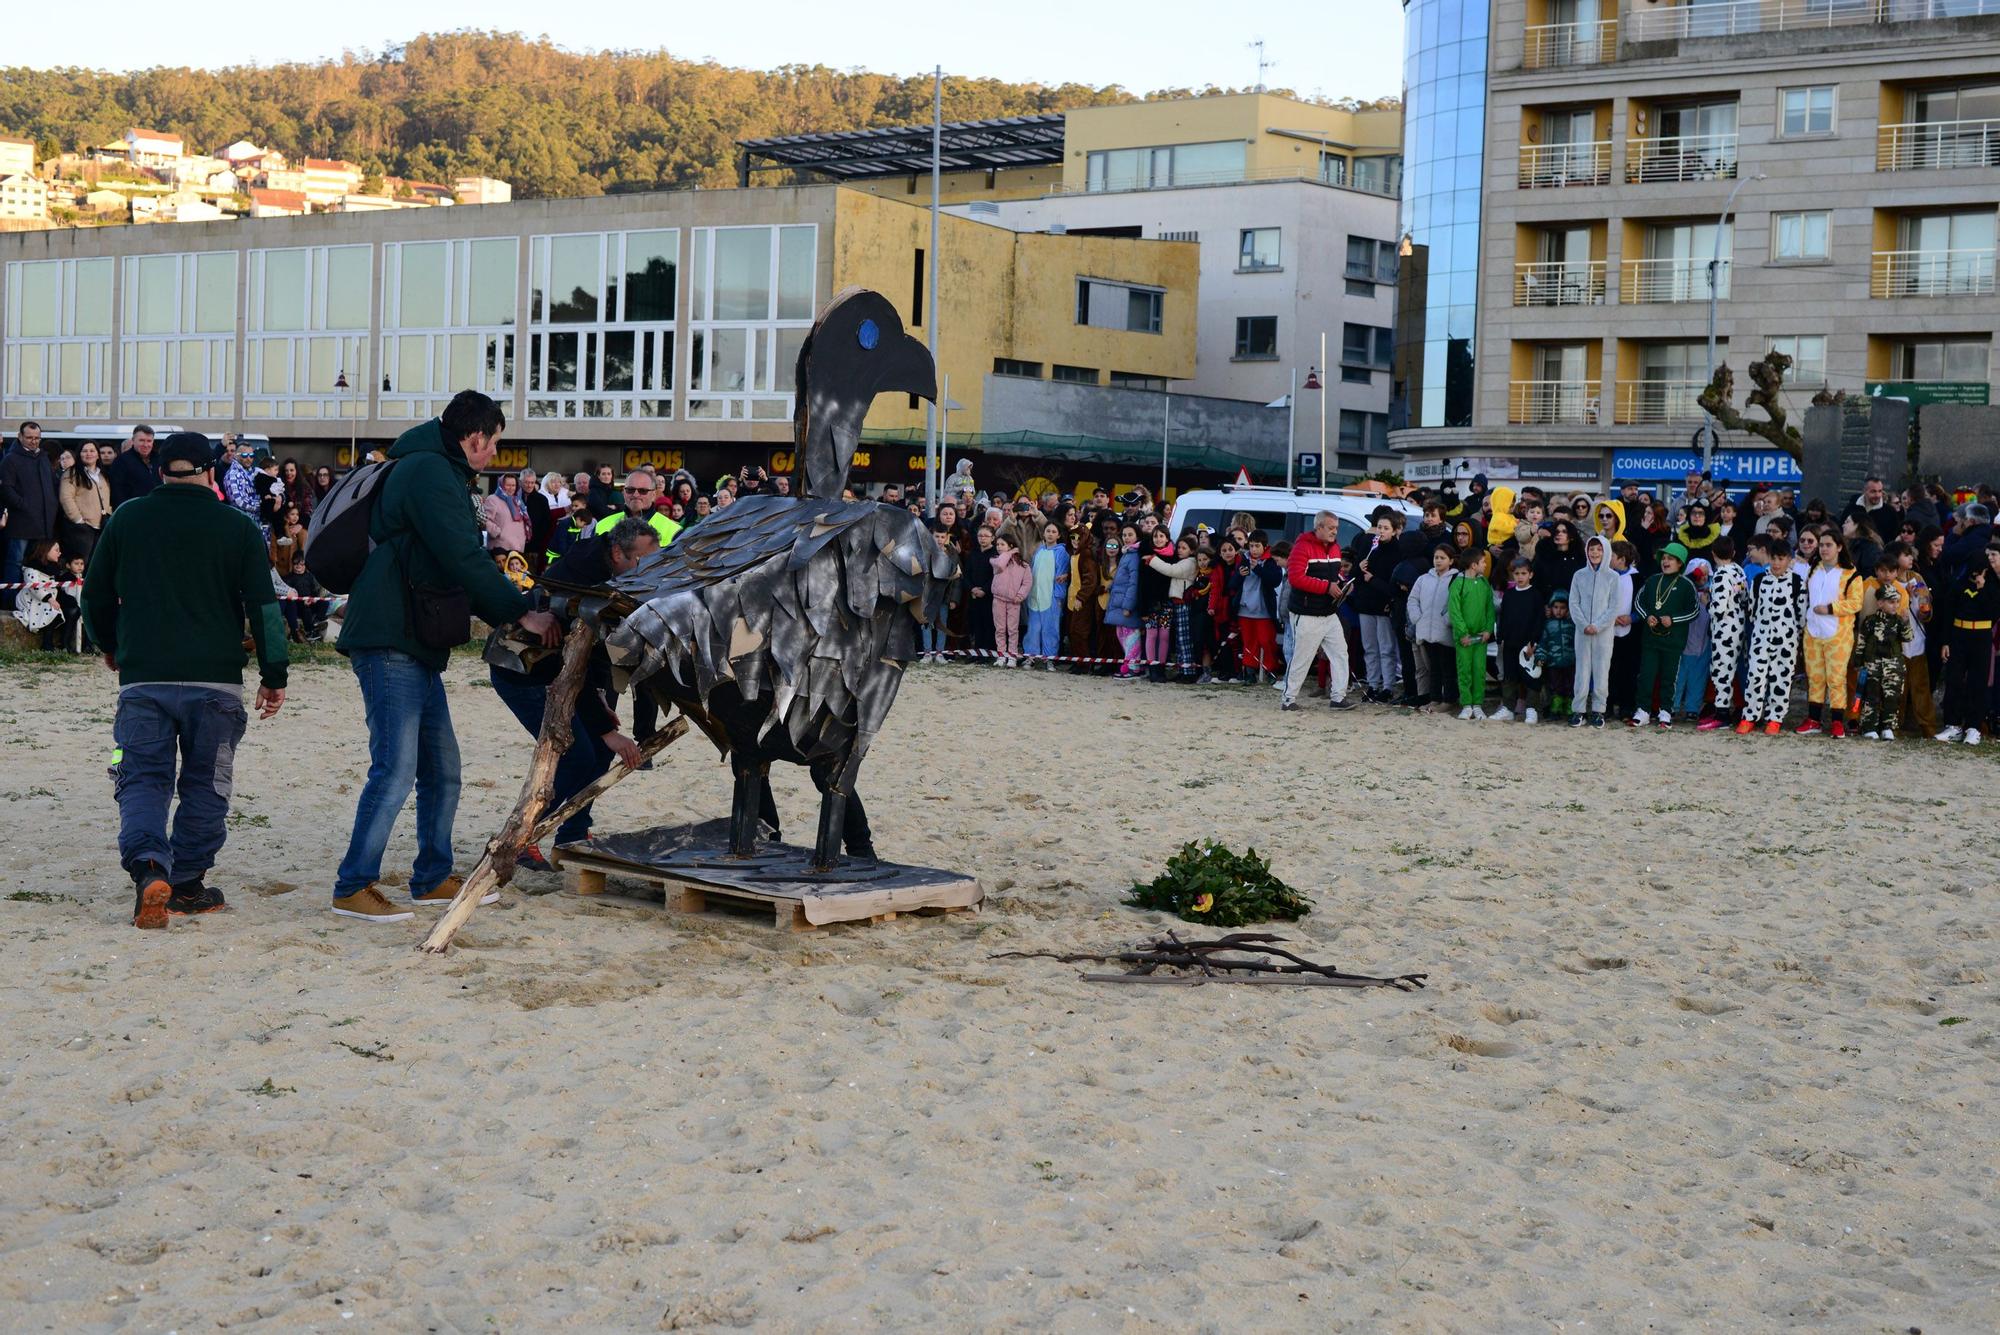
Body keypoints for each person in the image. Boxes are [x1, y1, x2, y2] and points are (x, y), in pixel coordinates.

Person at [331, 391, 561, 923]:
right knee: (395, 768)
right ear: (476, 437)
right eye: (494, 444)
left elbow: (459, 556)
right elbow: (462, 555)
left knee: (443, 768)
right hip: (391, 638)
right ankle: (353, 884)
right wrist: (520, 612)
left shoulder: (435, 469)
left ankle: (432, 877)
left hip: (413, 639)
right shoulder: (430, 472)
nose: (493, 455)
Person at [80, 432, 288, 928]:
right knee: (205, 784)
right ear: (211, 472)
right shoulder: (236, 526)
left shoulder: (129, 517)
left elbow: (94, 594)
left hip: (143, 678)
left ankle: (151, 870)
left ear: (159, 471)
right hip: (215, 682)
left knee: (141, 778)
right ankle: (188, 883)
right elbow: (264, 608)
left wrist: (111, 645)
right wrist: (274, 674)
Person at [489, 519, 656, 866]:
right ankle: (523, 837)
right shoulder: (584, 581)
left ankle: (573, 830)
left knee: (597, 751)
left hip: (556, 671)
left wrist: (600, 708)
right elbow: (572, 665)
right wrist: (606, 729)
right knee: (578, 754)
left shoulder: (606, 573)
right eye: (640, 560)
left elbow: (591, 656)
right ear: (616, 552)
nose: (645, 569)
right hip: (522, 672)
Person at [1281, 511, 1353, 712]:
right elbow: (1295, 578)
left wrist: (1343, 584)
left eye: (1336, 528)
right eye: (1331, 528)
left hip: (1329, 612)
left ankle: (1338, 697)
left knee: (1340, 654)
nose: (1335, 532)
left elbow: (1335, 573)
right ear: (1319, 527)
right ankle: (1289, 699)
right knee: (1302, 657)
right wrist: (1326, 587)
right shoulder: (1302, 547)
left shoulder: (1336, 548)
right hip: (1306, 613)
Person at [1739, 541, 1808, 735]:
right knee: (1755, 677)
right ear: (1768, 558)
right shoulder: (1759, 580)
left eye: (1781, 559)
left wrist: (1795, 634)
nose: (1777, 563)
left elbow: (1801, 613)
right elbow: (1752, 609)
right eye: (1774, 559)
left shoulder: (1796, 582)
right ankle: (1750, 716)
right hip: (1760, 637)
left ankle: (1775, 718)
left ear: (1789, 560)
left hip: (1786, 640)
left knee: (1781, 679)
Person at [1799, 527, 1863, 737]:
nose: (1824, 549)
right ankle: (1813, 719)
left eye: (1829, 545)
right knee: (1815, 677)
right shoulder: (1814, 568)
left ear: (1839, 547)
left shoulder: (1851, 574)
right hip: (1813, 632)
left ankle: (1837, 721)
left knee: (1836, 679)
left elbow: (1856, 603)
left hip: (1838, 634)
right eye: (1822, 545)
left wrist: (1830, 609)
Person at [1936, 542, 2000, 745]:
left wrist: (1982, 589)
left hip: (1981, 636)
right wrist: (1945, 642)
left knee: (1977, 683)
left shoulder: (1993, 586)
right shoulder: (1959, 584)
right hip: (1958, 634)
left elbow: (1993, 613)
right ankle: (1952, 725)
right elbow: (1948, 613)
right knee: (1954, 680)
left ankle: (1973, 726)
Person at [1631, 542, 1699, 728]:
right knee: (1646, 674)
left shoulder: (1686, 585)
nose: (1665, 561)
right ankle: (1643, 710)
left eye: (1670, 559)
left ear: (1680, 564)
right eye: (1664, 558)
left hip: (1674, 641)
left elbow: (1694, 611)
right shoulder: (1652, 580)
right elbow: (1638, 602)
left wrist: (1674, 619)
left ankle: (1665, 711)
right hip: (1650, 639)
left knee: (1669, 677)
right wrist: (1648, 617)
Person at [1855, 557, 1913, 740]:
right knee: (1870, 696)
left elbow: (1908, 638)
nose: (1894, 605)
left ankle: (1888, 726)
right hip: (1872, 664)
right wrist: (1858, 662)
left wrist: (1905, 623)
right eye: (1890, 602)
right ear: (1880, 603)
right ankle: (1869, 726)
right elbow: (1862, 642)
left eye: (1896, 602)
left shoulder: (1898, 621)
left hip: (1893, 665)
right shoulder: (1870, 621)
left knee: (1892, 697)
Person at [1569, 533, 1621, 729]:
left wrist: (1598, 625)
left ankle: (1599, 710)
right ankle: (1579, 710)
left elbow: (1613, 606)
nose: (1595, 552)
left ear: (1606, 551)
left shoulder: (1612, 577)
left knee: (1601, 670)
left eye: (1599, 549)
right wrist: (1584, 625)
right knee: (1582, 670)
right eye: (1591, 549)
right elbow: (1573, 603)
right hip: (1582, 633)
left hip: (1603, 633)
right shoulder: (1579, 575)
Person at [1, 420, 60, 594]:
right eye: (29, 438)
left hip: (43, 523)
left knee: (37, 565)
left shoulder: (43, 457)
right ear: (20, 437)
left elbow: (53, 484)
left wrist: (53, 504)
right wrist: (23, 505)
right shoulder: (10, 459)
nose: (33, 441)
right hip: (21, 523)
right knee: (15, 562)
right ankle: (9, 602)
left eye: (37, 438)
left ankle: (33, 604)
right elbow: (6, 489)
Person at [1697, 539, 1749, 731]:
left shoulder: (1721, 575)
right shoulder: (1739, 571)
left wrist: (1705, 601)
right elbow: (1744, 597)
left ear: (1713, 554)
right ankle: (1725, 712)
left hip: (1724, 630)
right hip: (1739, 625)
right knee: (1730, 670)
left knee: (1721, 672)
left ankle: (1722, 715)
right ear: (1733, 553)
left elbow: (1717, 609)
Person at [1350, 511, 1401, 702]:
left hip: (1383, 605)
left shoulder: (1397, 551)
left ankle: (1388, 686)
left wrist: (1373, 579)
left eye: (1386, 528)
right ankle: (1372, 684)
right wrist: (1360, 566)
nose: (1381, 531)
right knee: (1370, 647)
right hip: (1365, 604)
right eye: (1379, 527)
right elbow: (1356, 574)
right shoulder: (1371, 545)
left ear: (1395, 531)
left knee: (1386, 648)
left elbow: (1393, 584)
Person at [1493, 556, 1543, 723]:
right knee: (1509, 677)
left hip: (1528, 645)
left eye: (1523, 573)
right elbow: (1504, 618)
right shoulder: (1509, 595)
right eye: (1517, 573)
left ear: (1531, 574)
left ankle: (1531, 709)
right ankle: (1507, 708)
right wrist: (1501, 637)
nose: (1520, 577)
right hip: (1510, 643)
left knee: (1530, 677)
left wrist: (1533, 642)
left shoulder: (1535, 595)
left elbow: (1538, 620)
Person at [1447, 547, 1496, 720]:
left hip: (1481, 637)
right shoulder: (1458, 584)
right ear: (1474, 565)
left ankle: (1478, 705)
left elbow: (1490, 609)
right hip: (1465, 639)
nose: (1485, 565)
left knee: (1479, 670)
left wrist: (1488, 630)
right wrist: (1462, 633)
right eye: (1483, 562)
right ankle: (1466, 705)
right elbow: (1455, 611)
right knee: (1465, 670)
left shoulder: (1484, 583)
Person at [1235, 531, 1283, 683]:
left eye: (1257, 546)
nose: (1254, 550)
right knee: (1249, 641)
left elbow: (1274, 580)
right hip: (1245, 608)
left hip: (1263, 610)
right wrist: (1239, 575)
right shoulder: (1243, 559)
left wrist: (1258, 569)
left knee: (1266, 641)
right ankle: (1249, 671)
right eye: (1251, 546)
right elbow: (1232, 584)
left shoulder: (1270, 561)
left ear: (1265, 546)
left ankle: (1271, 670)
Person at [1148, 534, 1196, 682]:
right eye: (1179, 547)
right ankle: (1183, 669)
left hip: (1183, 604)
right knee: (1179, 640)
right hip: (1176, 603)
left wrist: (1152, 560)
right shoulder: (1184, 561)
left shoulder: (1190, 562)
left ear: (1192, 551)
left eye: (1184, 548)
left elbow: (1171, 570)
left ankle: (1189, 672)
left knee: (1184, 639)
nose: (1180, 550)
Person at [58, 440, 111, 565]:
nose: (89, 454)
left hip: (101, 526)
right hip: (81, 528)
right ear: (79, 454)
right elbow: (66, 497)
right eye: (84, 451)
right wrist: (78, 520)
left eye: (92, 451)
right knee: (82, 563)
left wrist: (109, 513)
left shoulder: (103, 475)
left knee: (98, 563)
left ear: (98, 455)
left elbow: (107, 497)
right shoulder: (71, 473)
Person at [1025, 521, 1069, 671]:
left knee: (1050, 629)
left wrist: (1058, 597)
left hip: (1051, 598)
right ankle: (1030, 657)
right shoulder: (1039, 550)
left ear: (1059, 535)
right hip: (1034, 596)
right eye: (1048, 531)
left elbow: (1061, 577)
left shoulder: (1061, 552)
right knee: (1033, 628)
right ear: (1043, 533)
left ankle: (1049, 658)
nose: (1050, 534)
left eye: (1053, 531)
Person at [594, 471, 682, 547]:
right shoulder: (601, 525)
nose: (636, 495)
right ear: (624, 493)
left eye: (643, 491)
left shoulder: (674, 531)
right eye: (630, 490)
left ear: (653, 495)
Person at [1104, 523, 1143, 678]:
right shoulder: (1127, 553)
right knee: (1122, 633)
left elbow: (1134, 582)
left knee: (1131, 636)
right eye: (1124, 535)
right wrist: (1111, 585)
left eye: (1130, 535)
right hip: (1119, 601)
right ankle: (1128, 664)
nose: (1126, 538)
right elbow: (1122, 577)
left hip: (1126, 603)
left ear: (1137, 536)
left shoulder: (1134, 556)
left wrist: (1128, 605)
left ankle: (1134, 667)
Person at [1533, 590, 1576, 721]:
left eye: (1563, 608)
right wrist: (1540, 657)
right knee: (1555, 685)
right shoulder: (1548, 625)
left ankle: (1570, 706)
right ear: (1551, 608)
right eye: (1556, 607)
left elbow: (1578, 644)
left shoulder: (1573, 625)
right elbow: (1543, 643)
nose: (1559, 611)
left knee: (1571, 684)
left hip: (1570, 661)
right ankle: (1555, 707)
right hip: (1553, 662)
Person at [989, 532, 1030, 667]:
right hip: (998, 599)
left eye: (1002, 544)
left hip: (1014, 601)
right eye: (998, 544)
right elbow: (1000, 565)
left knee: (1012, 630)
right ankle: (1001, 655)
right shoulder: (995, 559)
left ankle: (1012, 655)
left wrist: (1020, 595)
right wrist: (1008, 552)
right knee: (999, 629)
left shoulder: (1023, 565)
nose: (999, 547)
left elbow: (1027, 582)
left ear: (1011, 545)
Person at [962, 523, 997, 658]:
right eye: (980, 536)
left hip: (989, 596)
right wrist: (972, 588)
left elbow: (995, 576)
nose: (982, 538)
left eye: (986, 536)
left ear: (992, 538)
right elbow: (966, 574)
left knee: (989, 624)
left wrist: (985, 590)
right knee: (976, 625)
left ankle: (989, 653)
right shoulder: (973, 553)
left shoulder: (995, 554)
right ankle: (977, 652)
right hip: (974, 595)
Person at [107, 425, 159, 509]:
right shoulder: (121, 461)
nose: (146, 445)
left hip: (157, 510)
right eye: (141, 440)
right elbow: (117, 492)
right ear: (133, 440)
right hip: (133, 511)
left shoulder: (159, 460)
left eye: (149, 441)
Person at [482, 470, 529, 554]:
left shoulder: (518, 501)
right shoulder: (493, 499)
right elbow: (485, 519)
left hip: (518, 547)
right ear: (501, 485)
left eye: (513, 485)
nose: (511, 488)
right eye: (508, 485)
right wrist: (497, 532)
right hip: (500, 547)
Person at [282, 554, 327, 643]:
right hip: (298, 606)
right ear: (292, 564)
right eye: (296, 564)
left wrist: (314, 599)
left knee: (324, 602)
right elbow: (288, 596)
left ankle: (316, 622)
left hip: (310, 602)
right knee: (306, 610)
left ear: (305, 565)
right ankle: (310, 632)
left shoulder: (310, 577)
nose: (298, 566)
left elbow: (315, 592)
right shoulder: (288, 578)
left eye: (301, 564)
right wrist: (303, 602)